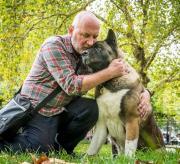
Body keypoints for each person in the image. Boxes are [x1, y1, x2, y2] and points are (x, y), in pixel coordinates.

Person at [0, 11, 151, 154]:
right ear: (71, 30)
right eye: (85, 35)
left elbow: (125, 71)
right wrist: (110, 72)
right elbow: (71, 85)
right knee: (39, 148)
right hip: (37, 108)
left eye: (95, 36)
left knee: (93, 108)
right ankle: (6, 144)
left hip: (61, 108)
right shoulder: (54, 45)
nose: (90, 42)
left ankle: (62, 148)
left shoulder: (89, 54)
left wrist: (145, 94)